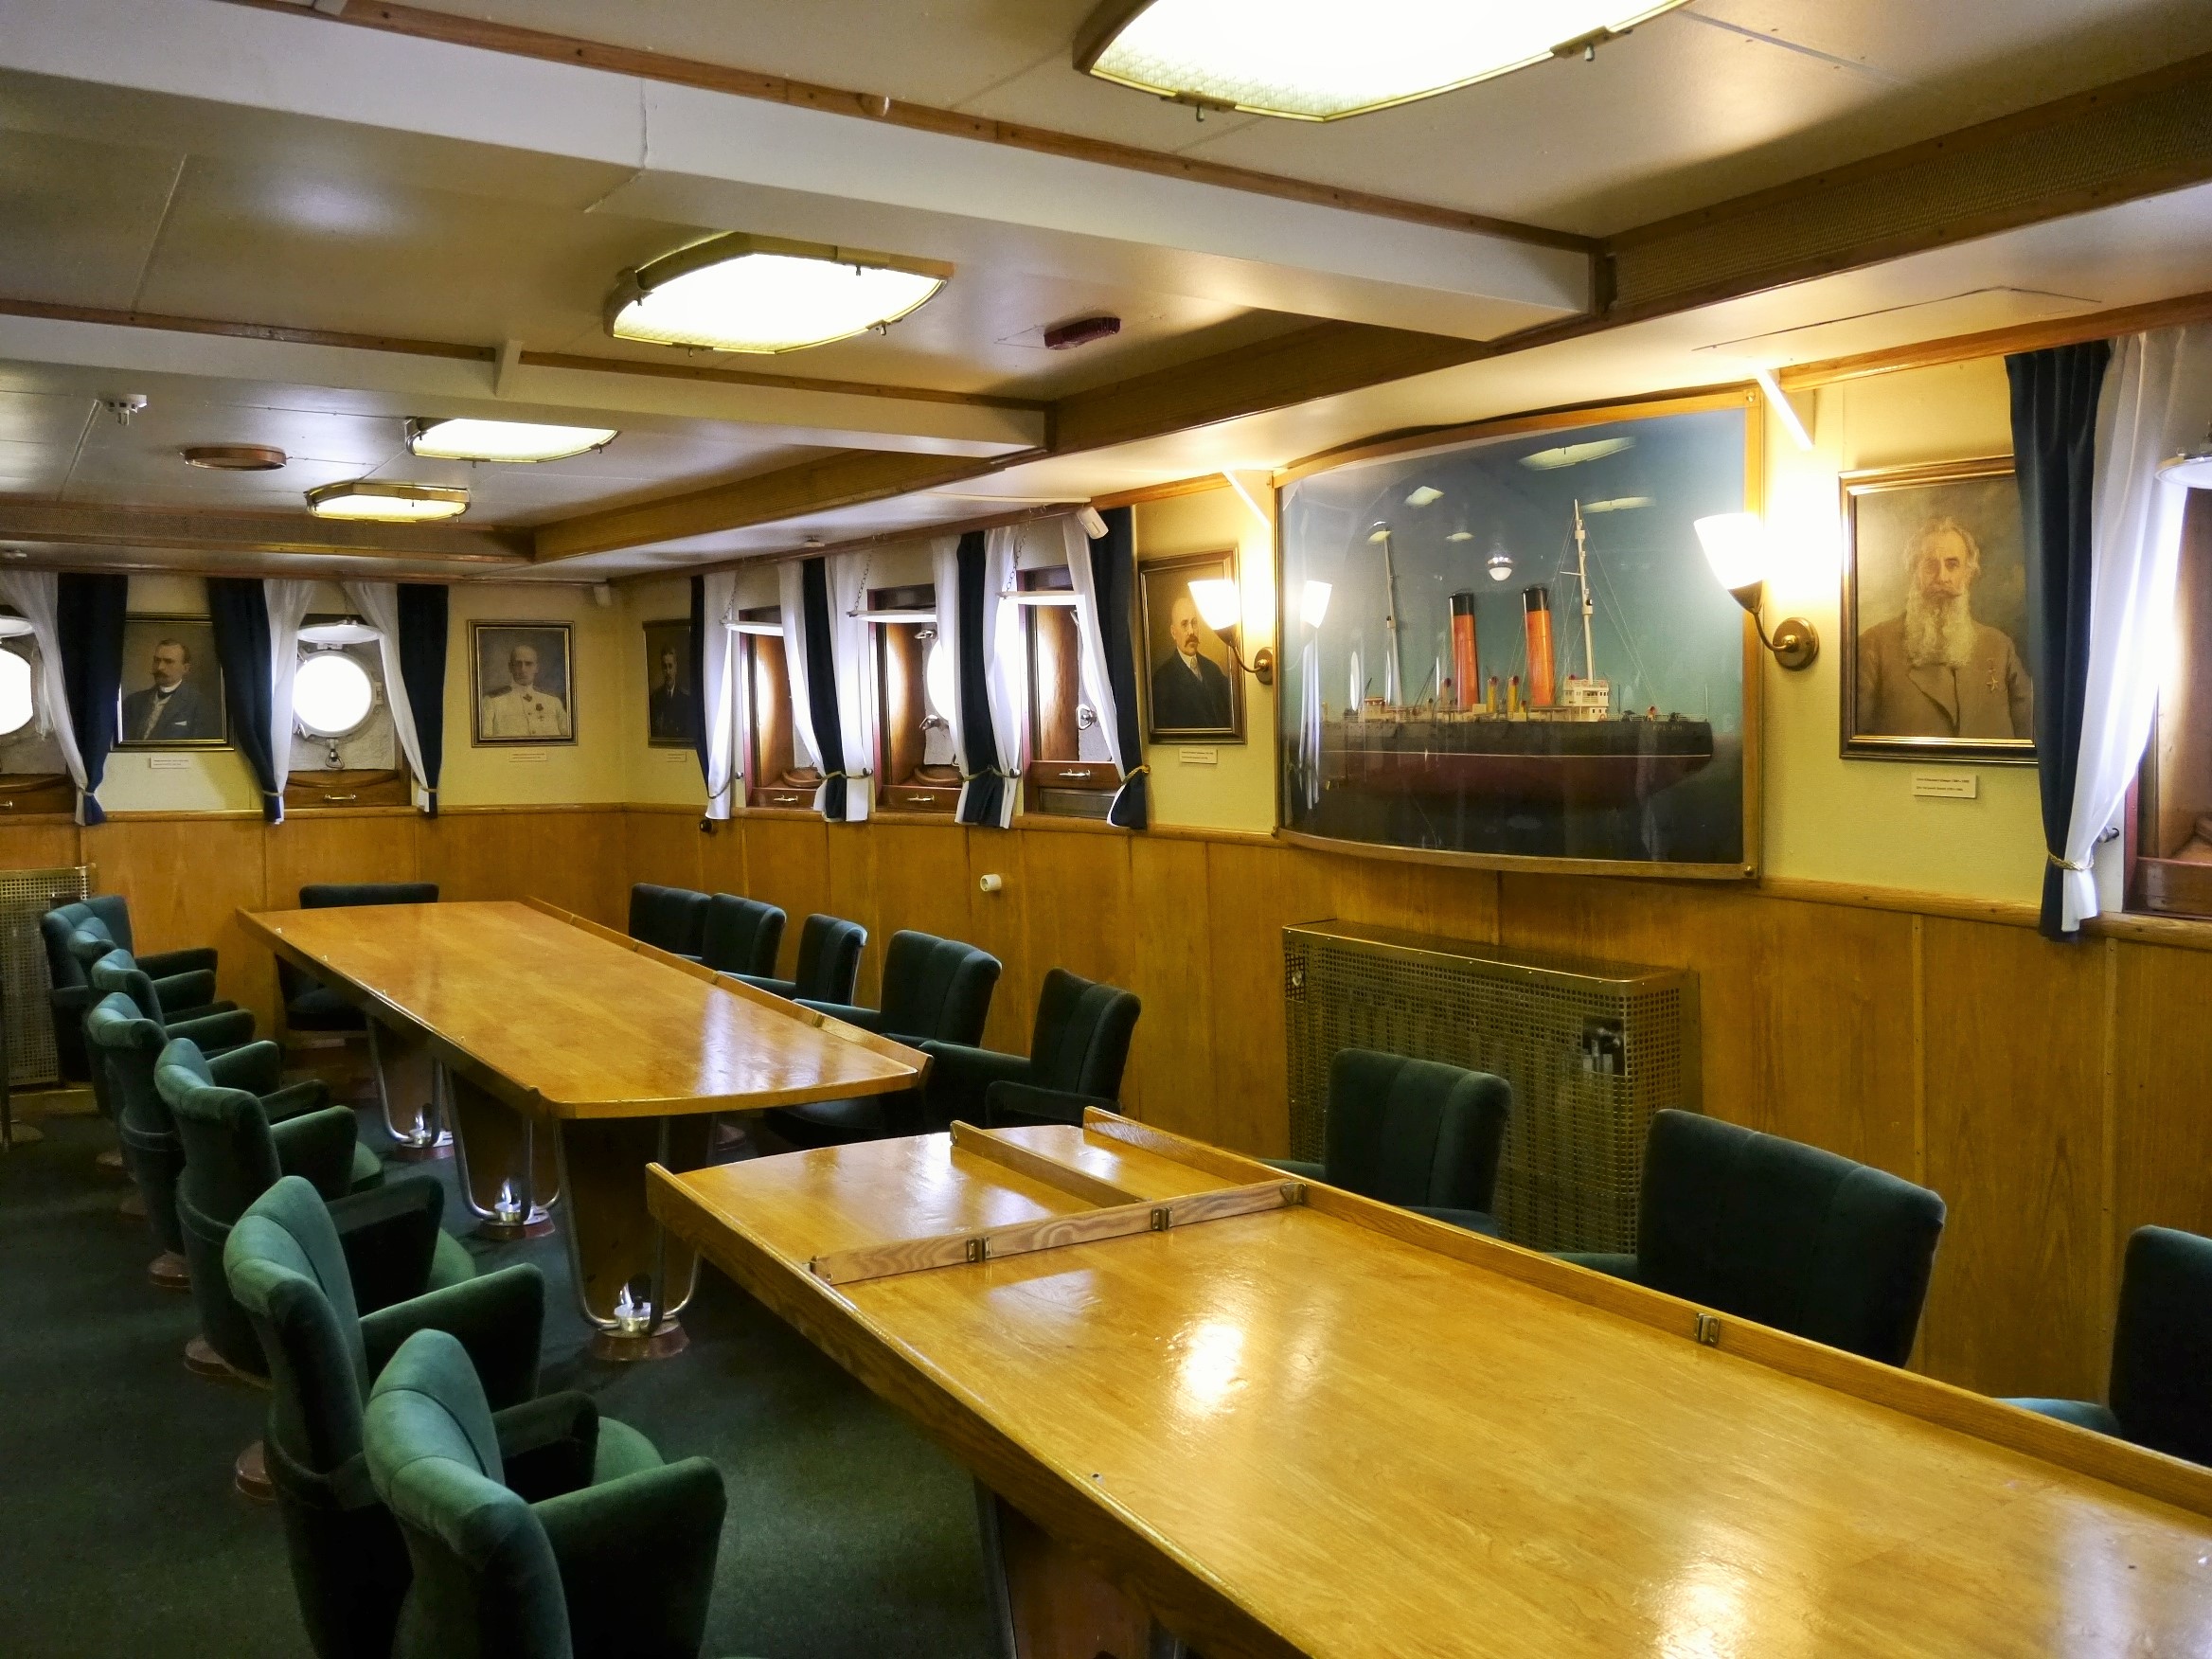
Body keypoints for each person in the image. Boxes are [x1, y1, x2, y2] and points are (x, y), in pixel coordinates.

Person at [1856, 515, 2033, 740]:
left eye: (1952, 564)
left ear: (1968, 574)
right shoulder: (1874, 647)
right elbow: (1857, 743)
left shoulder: (1999, 647)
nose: (1942, 577)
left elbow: (2032, 738)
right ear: (1914, 573)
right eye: (1930, 565)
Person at [1150, 592, 1234, 730]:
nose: (1191, 631)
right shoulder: (1162, 681)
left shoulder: (1214, 671)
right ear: (1173, 632)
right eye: (1184, 624)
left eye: (1194, 623)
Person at [120, 637, 221, 742]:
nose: (160, 667)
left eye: (168, 662)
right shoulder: (133, 702)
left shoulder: (200, 705)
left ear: (185, 668)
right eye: (157, 660)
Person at [478, 641, 570, 740]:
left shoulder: (553, 701)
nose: (523, 669)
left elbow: (568, 738)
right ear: (510, 667)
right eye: (518, 664)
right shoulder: (491, 701)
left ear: (536, 668)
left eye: (528, 664)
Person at [648, 646, 693, 743]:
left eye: (670, 666)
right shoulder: (655, 699)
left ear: (676, 667)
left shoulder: (686, 700)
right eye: (665, 667)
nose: (668, 672)